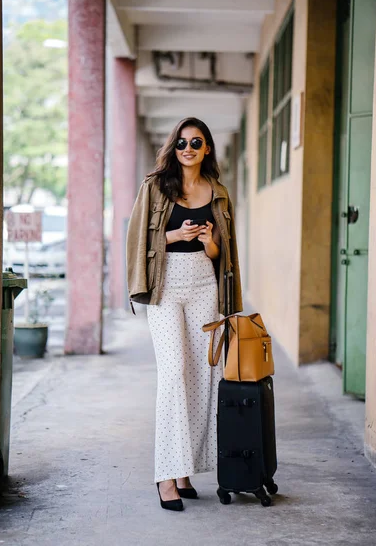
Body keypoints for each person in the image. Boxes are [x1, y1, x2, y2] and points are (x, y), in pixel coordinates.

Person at [126, 117, 243, 511]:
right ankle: (165, 475)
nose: (188, 148)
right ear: (173, 149)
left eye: (196, 142)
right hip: (165, 286)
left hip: (203, 284)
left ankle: (184, 469)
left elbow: (222, 255)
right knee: (174, 373)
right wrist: (175, 236)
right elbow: (137, 239)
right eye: (181, 143)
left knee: (201, 377)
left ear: (207, 147)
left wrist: (209, 242)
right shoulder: (156, 187)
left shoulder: (219, 193)